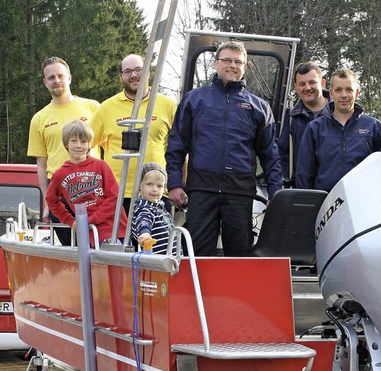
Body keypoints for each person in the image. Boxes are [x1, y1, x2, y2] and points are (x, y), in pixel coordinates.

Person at [165, 40, 282, 257]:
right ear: (216, 64)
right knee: (196, 254)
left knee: (239, 256)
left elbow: (270, 154)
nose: (232, 65)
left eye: (238, 61)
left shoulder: (259, 107)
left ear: (244, 67)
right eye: (227, 60)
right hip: (201, 191)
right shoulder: (194, 99)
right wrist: (173, 183)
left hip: (240, 193)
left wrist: (275, 191)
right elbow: (177, 146)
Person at [90, 54, 177, 213]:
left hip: (157, 192)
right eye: (128, 71)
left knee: (157, 238)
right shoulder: (106, 108)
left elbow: (181, 148)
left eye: (139, 69)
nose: (134, 75)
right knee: (119, 239)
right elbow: (87, 145)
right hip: (118, 194)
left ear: (148, 73)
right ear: (121, 77)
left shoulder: (168, 105)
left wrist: (179, 184)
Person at [27, 56, 100, 245]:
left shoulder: (93, 107)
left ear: (70, 77)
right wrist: (47, 202)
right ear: (45, 83)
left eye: (60, 75)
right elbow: (41, 165)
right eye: (51, 77)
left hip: (92, 185)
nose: (56, 80)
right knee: (70, 251)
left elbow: (108, 148)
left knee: (98, 247)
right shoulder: (39, 118)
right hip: (59, 191)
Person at [296, 67, 381, 192]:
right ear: (331, 93)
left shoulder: (374, 127)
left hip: (364, 201)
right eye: (338, 90)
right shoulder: (315, 128)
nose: (344, 95)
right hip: (324, 202)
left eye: (349, 90)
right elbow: (304, 174)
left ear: (357, 93)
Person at [46, 120, 127, 247]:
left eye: (83, 141)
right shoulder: (59, 175)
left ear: (89, 144)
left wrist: (92, 219)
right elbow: (51, 200)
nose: (78, 145)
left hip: (111, 229)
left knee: (113, 260)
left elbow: (115, 197)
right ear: (66, 143)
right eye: (74, 141)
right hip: (88, 234)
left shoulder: (100, 166)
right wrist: (71, 222)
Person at [277, 61, 329, 185]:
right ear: (296, 87)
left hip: (334, 191)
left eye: (312, 82)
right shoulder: (289, 118)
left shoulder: (338, 114)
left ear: (322, 83)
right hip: (301, 190)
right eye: (302, 84)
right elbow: (282, 155)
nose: (307, 88)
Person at [132, 163, 176, 255]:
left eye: (159, 186)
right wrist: (144, 234)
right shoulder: (145, 207)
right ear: (140, 186)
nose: (155, 189)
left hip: (170, 257)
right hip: (158, 261)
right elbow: (143, 220)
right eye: (149, 184)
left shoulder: (159, 206)